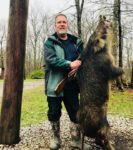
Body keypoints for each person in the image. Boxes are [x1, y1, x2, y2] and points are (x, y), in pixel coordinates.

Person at [44, 14, 90, 150]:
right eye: (59, 22)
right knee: (53, 112)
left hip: (73, 85)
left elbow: (85, 59)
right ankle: (56, 139)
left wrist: (81, 63)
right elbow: (50, 60)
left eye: (64, 22)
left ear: (67, 24)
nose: (62, 24)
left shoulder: (77, 42)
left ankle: (75, 140)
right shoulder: (49, 42)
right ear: (55, 25)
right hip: (54, 85)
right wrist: (70, 64)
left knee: (75, 112)